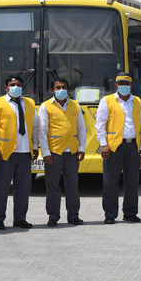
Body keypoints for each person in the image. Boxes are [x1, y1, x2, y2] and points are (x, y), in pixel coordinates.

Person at [0, 75, 39, 230]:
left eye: (18, 84)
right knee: (1, 187)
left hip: (25, 151)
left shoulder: (30, 103)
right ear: (6, 87)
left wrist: (35, 147)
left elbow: (35, 127)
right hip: (4, 152)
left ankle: (20, 218)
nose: (16, 87)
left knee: (23, 188)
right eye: (12, 84)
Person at [95, 73, 141, 224]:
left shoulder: (138, 102)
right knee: (110, 182)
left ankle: (130, 213)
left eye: (126, 83)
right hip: (113, 147)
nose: (123, 86)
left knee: (132, 182)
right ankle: (110, 214)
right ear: (116, 85)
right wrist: (103, 144)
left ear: (131, 85)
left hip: (133, 146)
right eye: (121, 83)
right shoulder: (107, 101)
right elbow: (100, 124)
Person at [37, 78, 86, 227]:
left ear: (68, 89)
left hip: (72, 151)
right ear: (52, 90)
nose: (61, 90)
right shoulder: (46, 106)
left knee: (72, 185)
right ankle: (53, 215)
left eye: (63, 87)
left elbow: (81, 128)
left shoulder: (75, 105)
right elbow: (42, 131)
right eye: (58, 88)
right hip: (54, 152)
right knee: (53, 185)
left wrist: (82, 148)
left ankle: (73, 215)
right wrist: (45, 152)